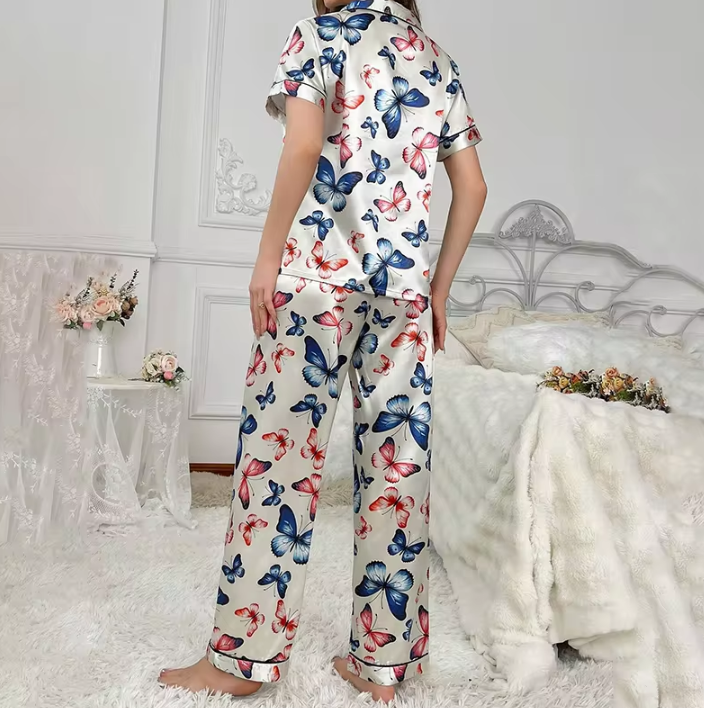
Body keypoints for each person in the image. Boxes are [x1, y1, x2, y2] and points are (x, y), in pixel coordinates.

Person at [159, 0, 486, 702]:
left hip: (315, 283)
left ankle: (240, 664)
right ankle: (383, 667)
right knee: (398, 472)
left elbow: (305, 147)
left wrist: (267, 258)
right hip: (402, 295)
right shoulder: (437, 60)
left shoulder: (317, 35)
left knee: (277, 466)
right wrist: (437, 291)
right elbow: (473, 187)